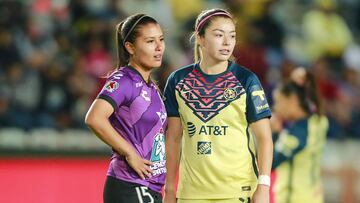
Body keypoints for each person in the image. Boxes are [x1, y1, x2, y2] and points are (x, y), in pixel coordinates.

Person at [163, 8, 273, 203]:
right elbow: (173, 138)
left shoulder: (247, 80)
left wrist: (263, 186)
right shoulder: (177, 81)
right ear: (200, 38)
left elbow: (264, 138)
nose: (227, 42)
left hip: (238, 190)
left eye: (232, 36)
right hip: (191, 193)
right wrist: (170, 189)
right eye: (218, 35)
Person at [85, 13, 167, 203]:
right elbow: (94, 118)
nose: (159, 47)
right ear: (130, 47)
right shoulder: (124, 80)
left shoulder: (151, 86)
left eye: (161, 39)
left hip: (149, 186)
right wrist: (130, 153)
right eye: (149, 41)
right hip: (130, 184)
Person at [270, 67, 329, 203]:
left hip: (294, 198)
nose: (276, 108)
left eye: (278, 102)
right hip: (312, 196)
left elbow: (271, 162)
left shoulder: (299, 131)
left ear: (292, 99)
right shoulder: (319, 120)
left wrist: (273, 133)